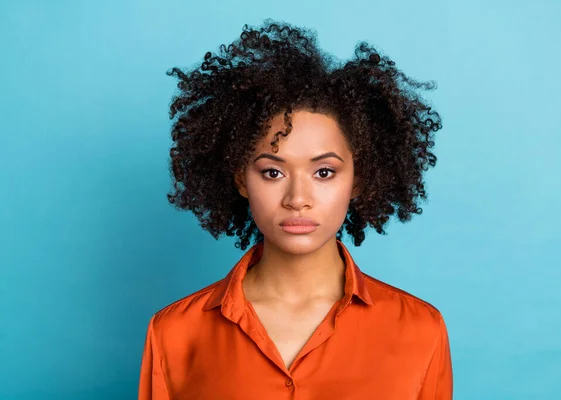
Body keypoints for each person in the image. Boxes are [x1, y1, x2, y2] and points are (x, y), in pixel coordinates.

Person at [138, 19, 452, 400]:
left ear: (359, 179)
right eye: (272, 171)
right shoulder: (174, 333)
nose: (297, 197)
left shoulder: (420, 330)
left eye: (324, 172)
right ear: (240, 179)